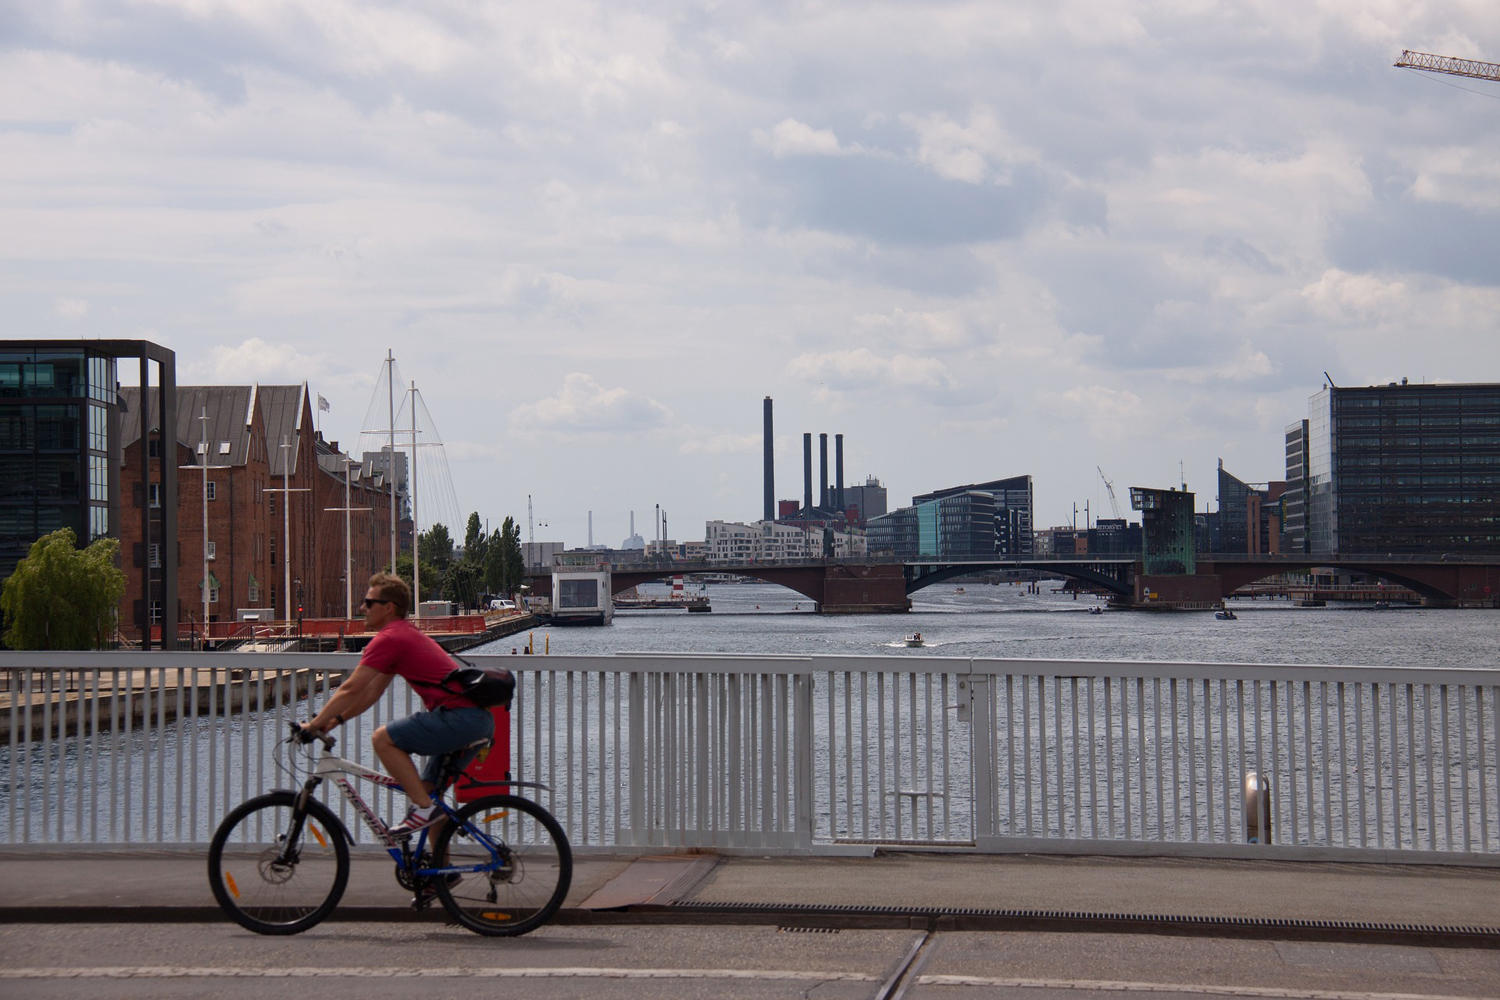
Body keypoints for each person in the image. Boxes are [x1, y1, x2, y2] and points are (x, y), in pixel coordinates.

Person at [301, 572, 493, 837]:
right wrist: (334, 721)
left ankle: (424, 810)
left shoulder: (390, 638)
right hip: (474, 721)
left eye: (368, 602)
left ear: (388, 607)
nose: (361, 609)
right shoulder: (402, 634)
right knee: (428, 795)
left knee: (382, 739)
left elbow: (350, 687)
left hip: (459, 719)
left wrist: (313, 725)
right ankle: (441, 876)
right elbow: (370, 693)